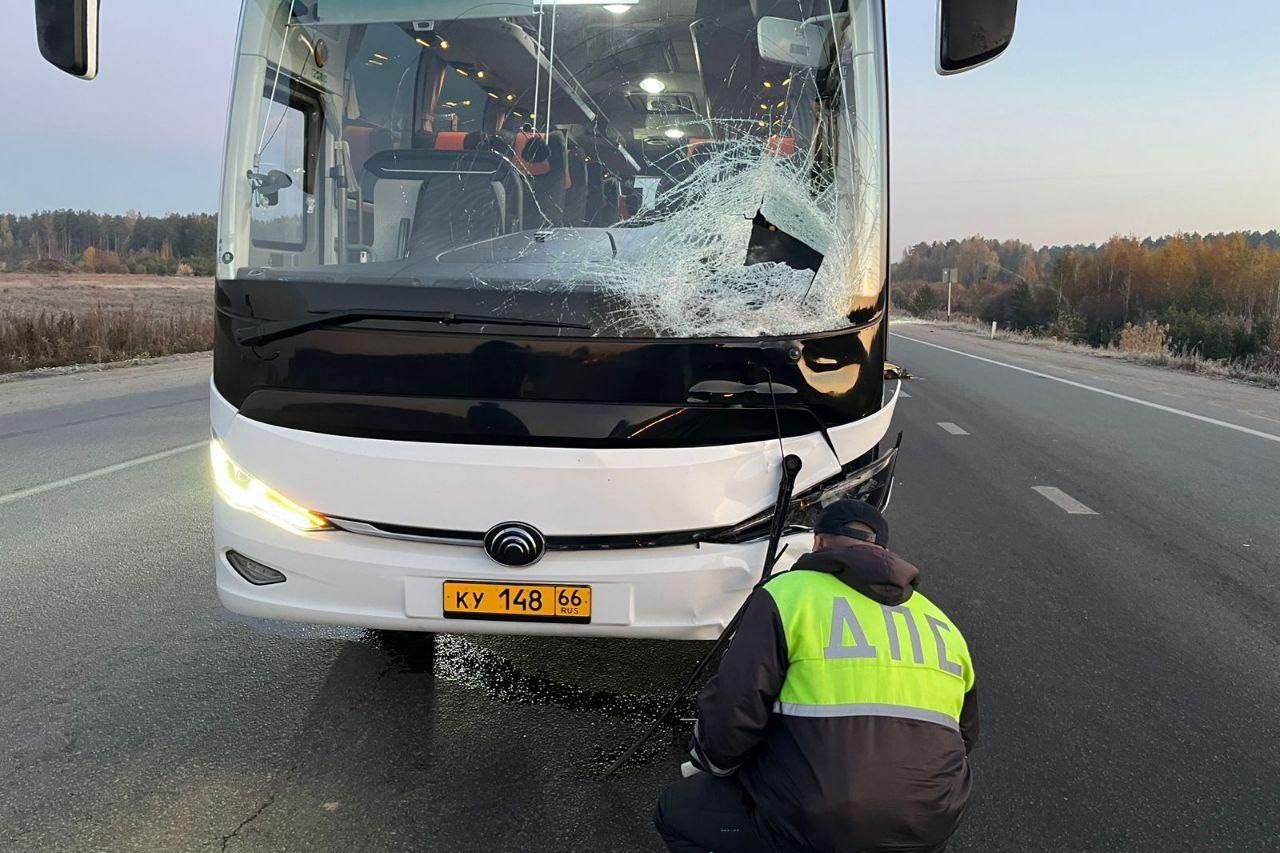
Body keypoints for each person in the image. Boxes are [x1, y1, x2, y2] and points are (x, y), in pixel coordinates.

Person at [654, 499, 978, 853]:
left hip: (816, 824)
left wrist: (710, 762)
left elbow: (735, 710)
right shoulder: (941, 623)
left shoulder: (789, 595)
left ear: (818, 543)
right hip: (930, 826)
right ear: (883, 550)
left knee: (675, 814)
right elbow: (966, 736)